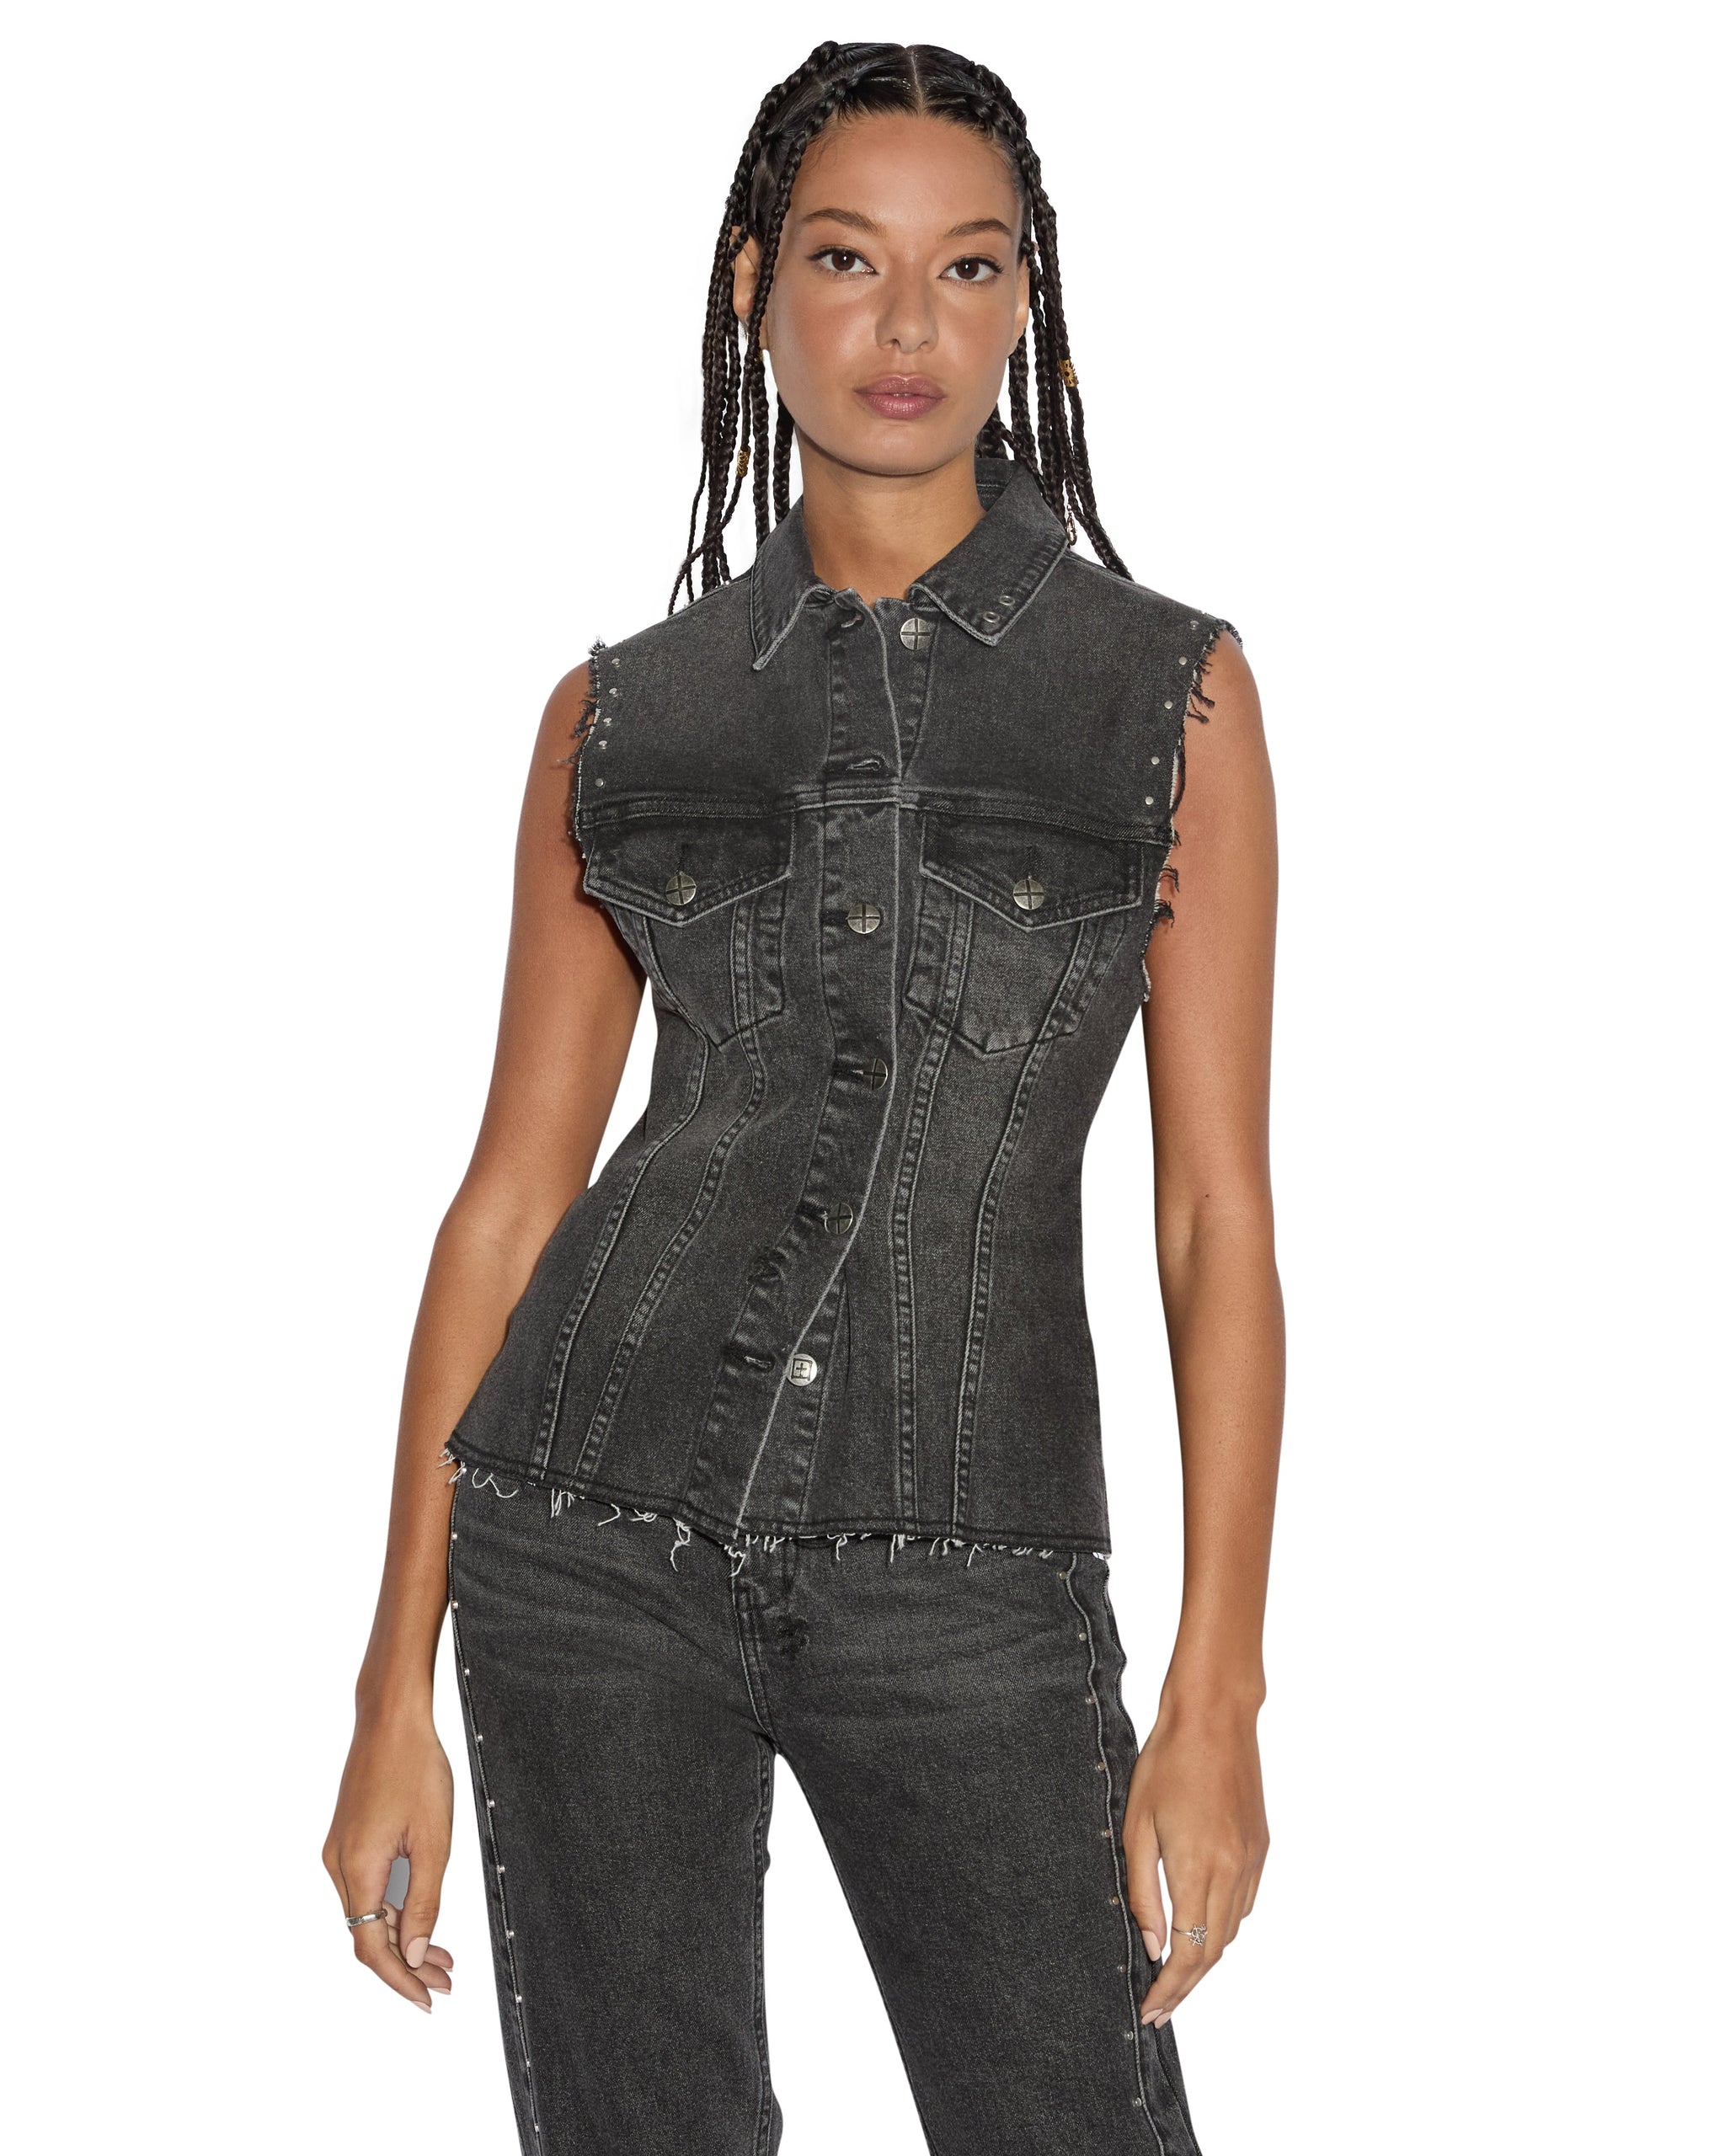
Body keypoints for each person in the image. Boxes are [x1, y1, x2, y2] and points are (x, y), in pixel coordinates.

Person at [323, 39, 1281, 2156]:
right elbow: (510, 1201)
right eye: (848, 259)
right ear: (755, 286)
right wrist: (392, 1684)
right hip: (585, 1542)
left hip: (973, 1565)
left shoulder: (1164, 696)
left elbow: (1213, 1213)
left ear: (1025, 298)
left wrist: (1216, 1681)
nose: (907, 324)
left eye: (968, 266)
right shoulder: (622, 715)